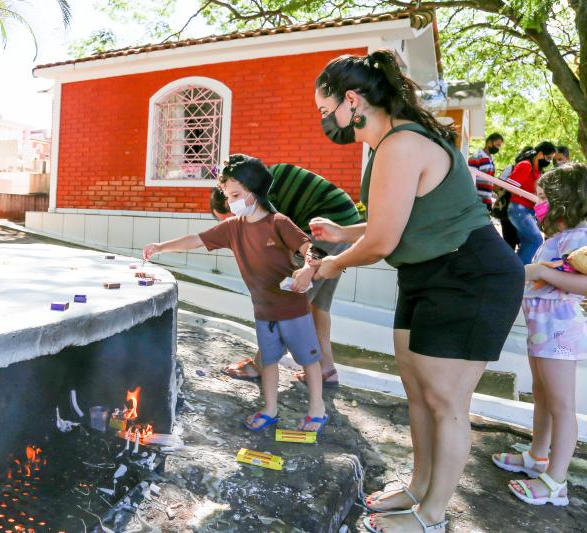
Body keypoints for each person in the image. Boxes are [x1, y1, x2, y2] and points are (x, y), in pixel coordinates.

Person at [309, 49, 524, 533]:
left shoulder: (402, 144)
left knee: (445, 401)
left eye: (326, 112)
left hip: (470, 276)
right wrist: (343, 235)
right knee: (418, 392)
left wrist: (331, 265)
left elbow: (383, 241)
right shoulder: (388, 144)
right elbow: (398, 217)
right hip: (425, 275)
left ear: (351, 100)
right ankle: (418, 488)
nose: (325, 122)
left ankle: (431, 515)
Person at [144, 154, 329, 434]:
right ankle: (270, 408)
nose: (231, 202)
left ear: (254, 193)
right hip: (264, 310)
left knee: (308, 359)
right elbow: (197, 239)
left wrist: (307, 269)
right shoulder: (233, 228)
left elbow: (312, 249)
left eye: (236, 195)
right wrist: (161, 246)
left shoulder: (279, 223)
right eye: (228, 196)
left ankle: (318, 409)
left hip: (293, 308)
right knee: (268, 361)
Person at [210, 164, 361, 386]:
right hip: (344, 226)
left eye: (231, 211)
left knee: (287, 299)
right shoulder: (259, 181)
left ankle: (260, 365)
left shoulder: (260, 193)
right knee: (317, 304)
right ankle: (326, 370)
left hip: (325, 228)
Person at [492, 163, 587, 507]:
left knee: (561, 405)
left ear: (565, 201)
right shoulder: (560, 239)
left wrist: (539, 271)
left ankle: (555, 483)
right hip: (542, 329)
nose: (537, 203)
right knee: (542, 394)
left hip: (559, 331)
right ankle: (537, 456)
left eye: (544, 198)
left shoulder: (582, 239)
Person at [508, 142, 556, 264]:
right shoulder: (525, 165)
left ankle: (516, 270)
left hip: (529, 210)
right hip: (519, 209)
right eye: (549, 157)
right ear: (540, 154)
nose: (549, 161)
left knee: (528, 242)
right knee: (535, 239)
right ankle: (520, 271)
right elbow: (510, 186)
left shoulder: (538, 171)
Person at [494, 146, 533, 252]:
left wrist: (503, 193)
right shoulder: (534, 173)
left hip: (509, 211)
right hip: (522, 212)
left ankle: (510, 265)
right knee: (523, 244)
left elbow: (496, 187)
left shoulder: (511, 168)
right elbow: (496, 187)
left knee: (509, 243)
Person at [468, 132, 504, 210]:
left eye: (499, 146)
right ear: (489, 143)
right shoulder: (477, 157)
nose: (498, 148)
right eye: (497, 145)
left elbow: (489, 181)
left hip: (487, 201)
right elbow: (469, 180)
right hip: (476, 202)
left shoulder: (491, 160)